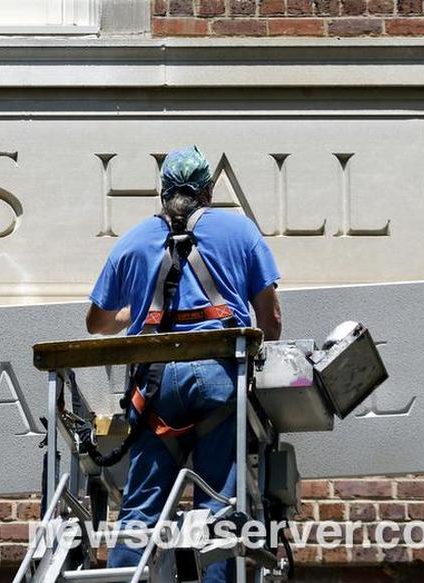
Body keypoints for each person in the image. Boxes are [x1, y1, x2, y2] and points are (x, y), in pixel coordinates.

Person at [83, 146, 282, 583]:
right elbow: (271, 321)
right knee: (218, 509)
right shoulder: (240, 231)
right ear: (208, 192)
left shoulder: (133, 241)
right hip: (219, 381)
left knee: (140, 508)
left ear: (163, 193)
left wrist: (137, 313)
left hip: (154, 389)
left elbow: (97, 322)